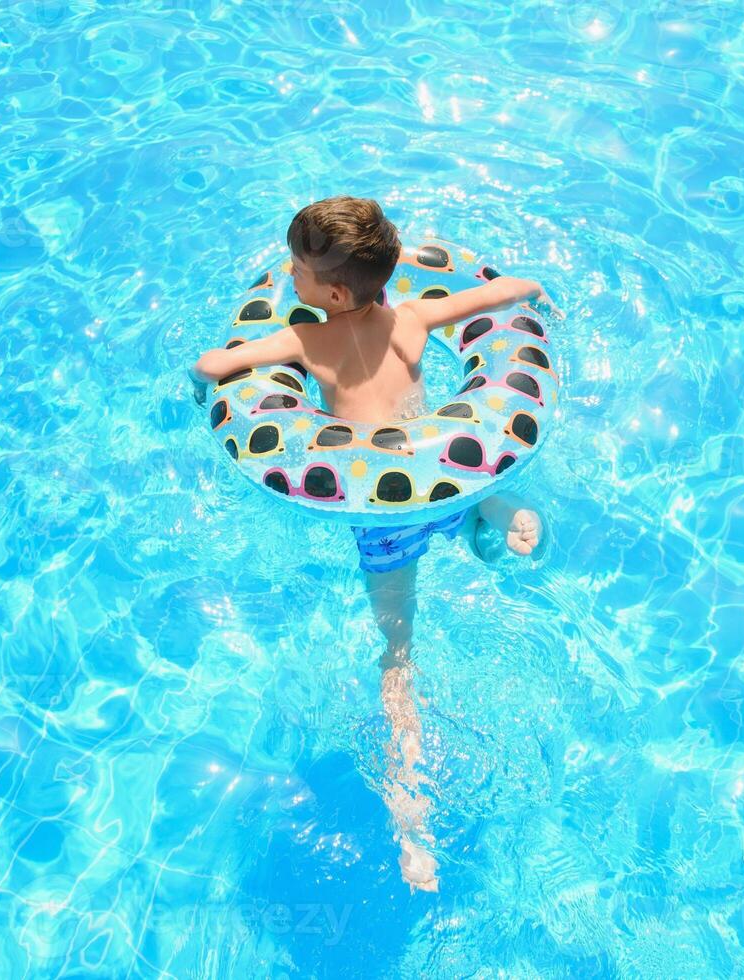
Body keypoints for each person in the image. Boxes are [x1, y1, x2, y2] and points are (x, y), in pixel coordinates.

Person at [191, 196, 549, 892]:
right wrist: (536, 295)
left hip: (383, 517)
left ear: (329, 291)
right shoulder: (411, 317)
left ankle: (412, 820)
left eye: (295, 269)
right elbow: (502, 292)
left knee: (398, 656)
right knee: (463, 501)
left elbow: (216, 364)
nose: (287, 277)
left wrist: (196, 376)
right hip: (447, 477)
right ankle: (499, 512)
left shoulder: (307, 342)